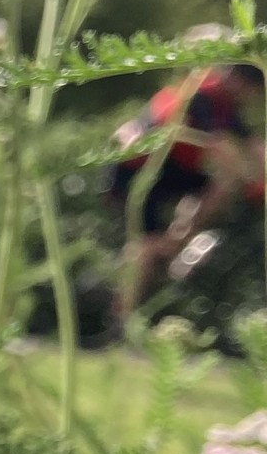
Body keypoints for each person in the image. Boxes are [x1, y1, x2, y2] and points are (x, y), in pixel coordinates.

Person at [108, 62, 265, 318]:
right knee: (144, 245)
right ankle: (121, 319)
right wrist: (254, 183)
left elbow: (253, 144)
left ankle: (176, 240)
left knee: (222, 187)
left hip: (171, 170)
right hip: (138, 170)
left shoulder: (224, 104)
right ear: (239, 80)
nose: (250, 97)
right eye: (251, 90)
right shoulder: (199, 94)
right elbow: (220, 147)